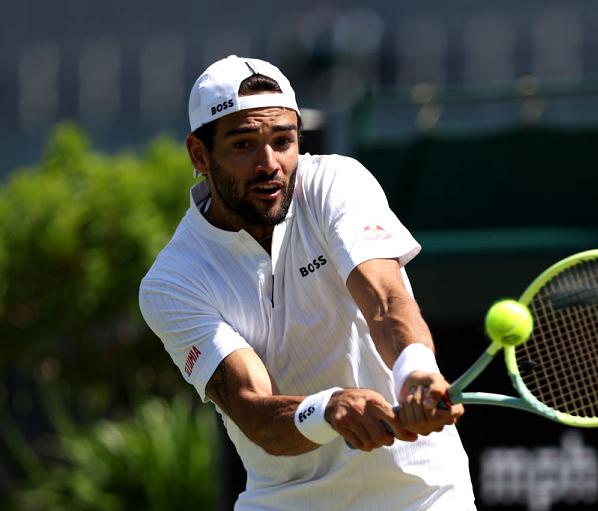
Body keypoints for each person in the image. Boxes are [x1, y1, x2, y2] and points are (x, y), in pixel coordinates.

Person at [138, 55, 475, 510]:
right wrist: (330, 409)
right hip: (285, 500)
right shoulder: (173, 281)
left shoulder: (336, 182)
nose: (269, 164)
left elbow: (384, 299)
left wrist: (415, 370)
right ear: (200, 155)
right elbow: (253, 410)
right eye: (243, 145)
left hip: (425, 494)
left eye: (283, 141)